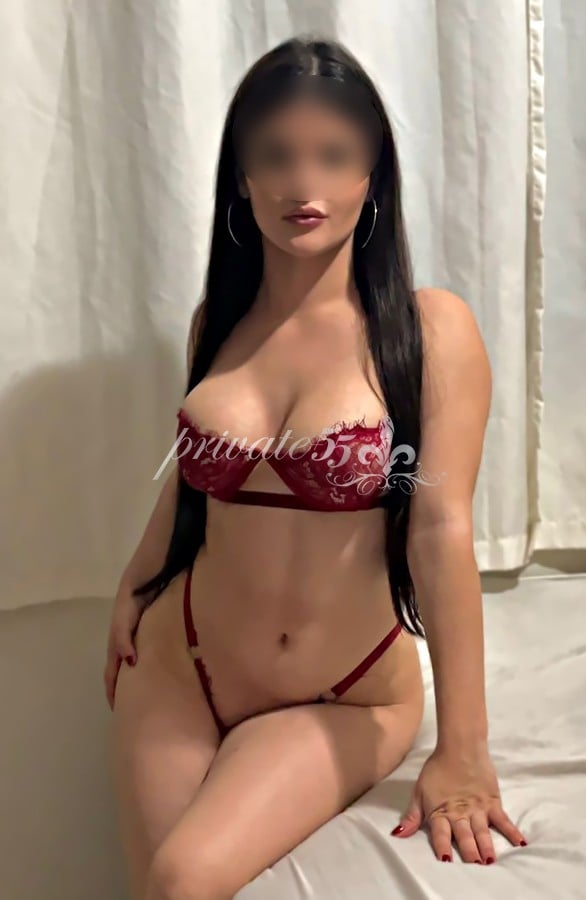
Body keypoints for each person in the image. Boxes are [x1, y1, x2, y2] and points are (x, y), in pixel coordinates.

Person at [106, 36, 527, 900]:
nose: (305, 184)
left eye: (334, 156)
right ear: (241, 176)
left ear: (373, 177)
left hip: (343, 690)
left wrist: (464, 750)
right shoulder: (217, 322)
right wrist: (135, 585)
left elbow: (440, 528)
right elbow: (192, 474)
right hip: (181, 663)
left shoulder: (429, 329)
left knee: (181, 881)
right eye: (275, 156)